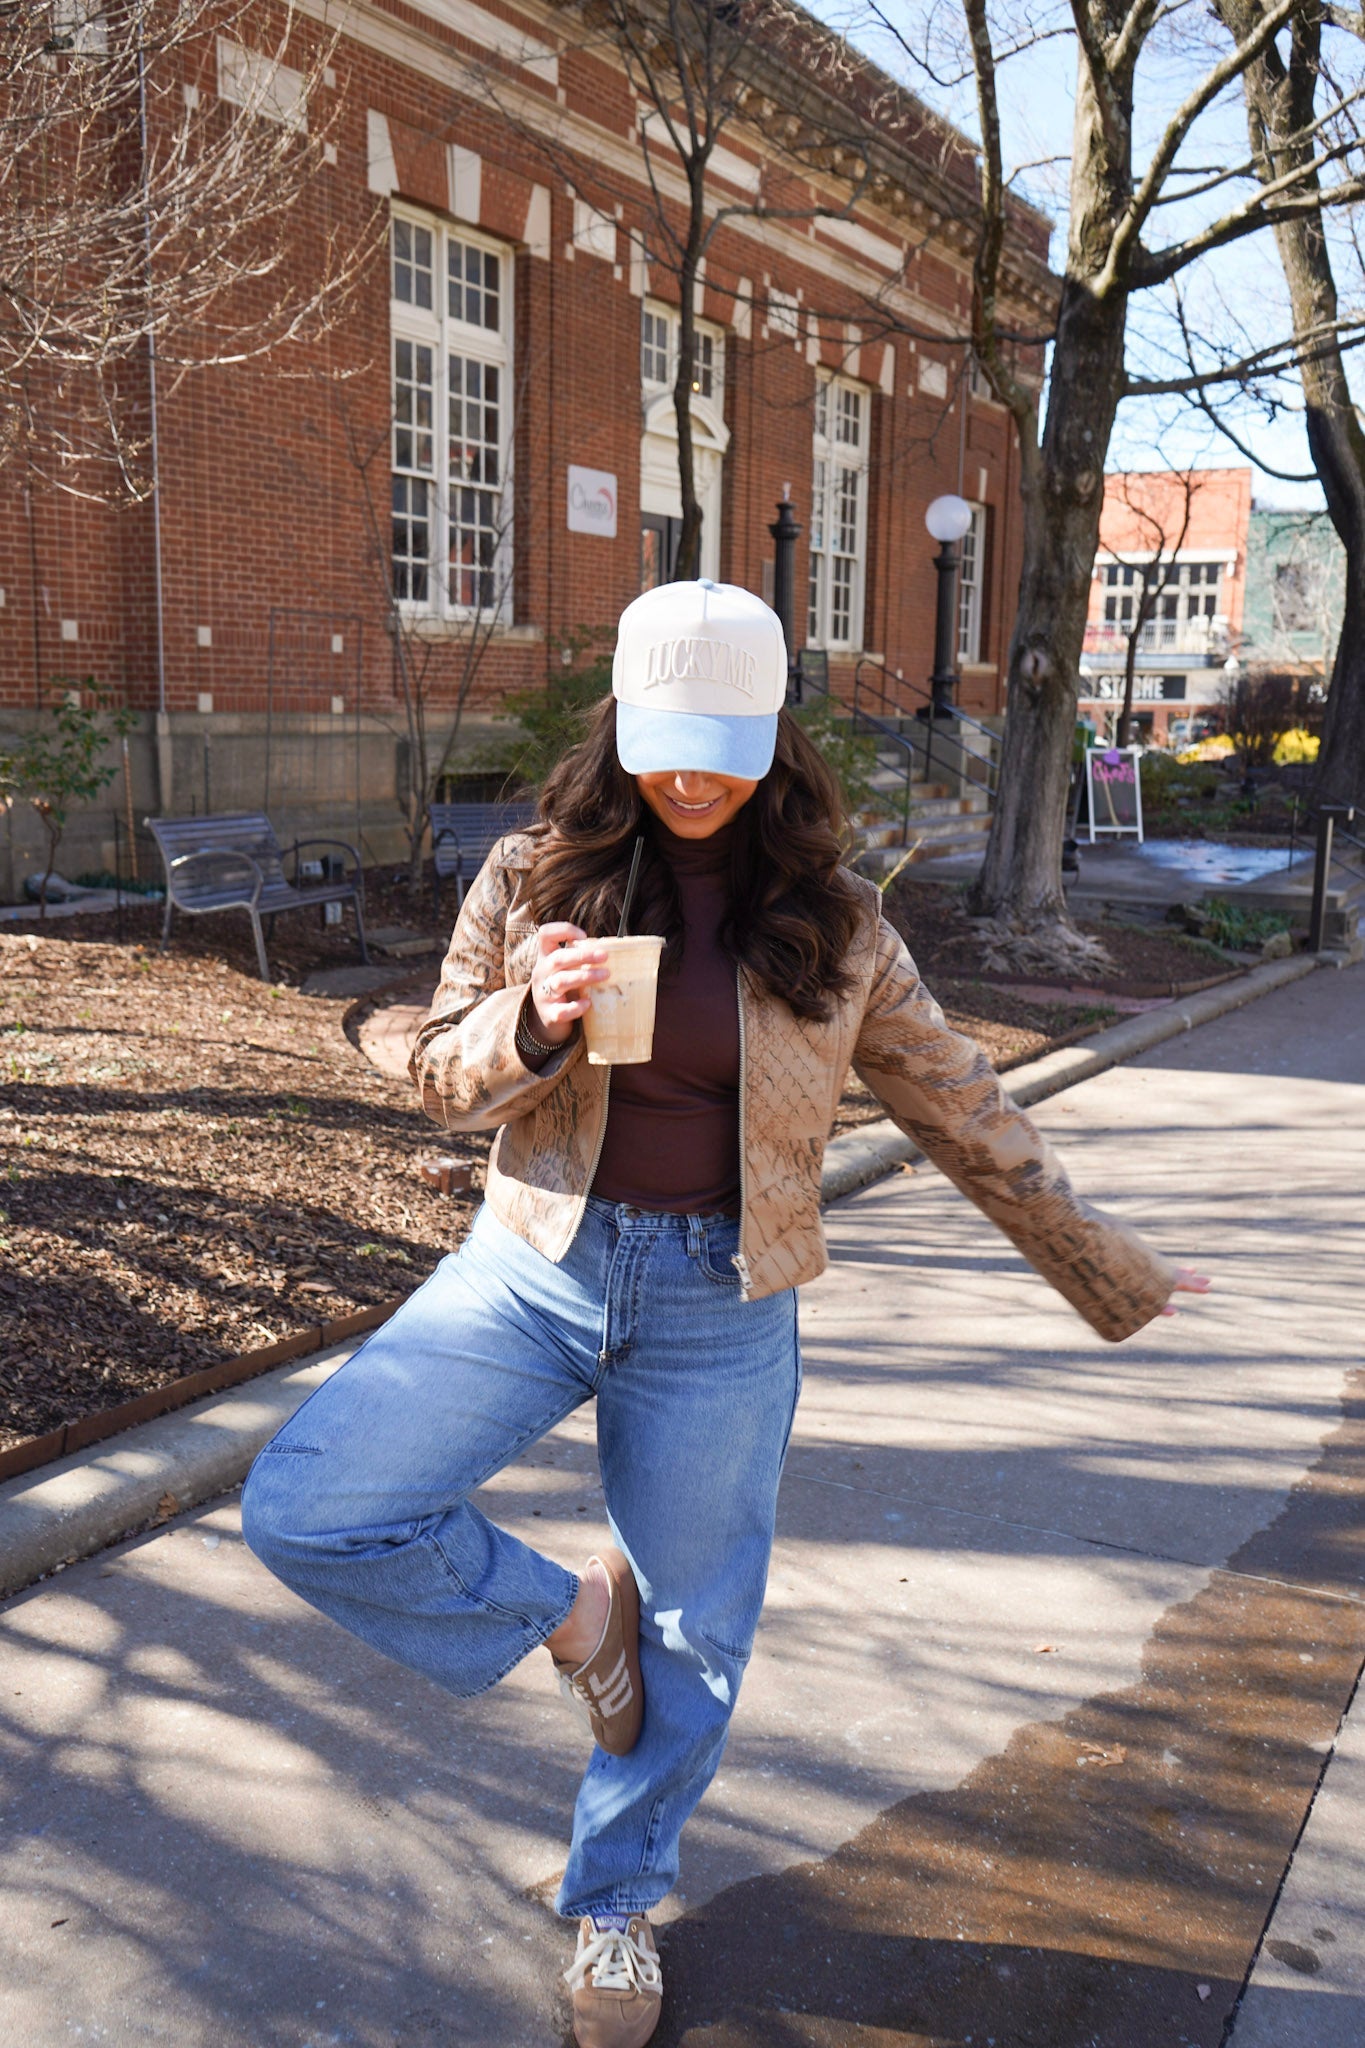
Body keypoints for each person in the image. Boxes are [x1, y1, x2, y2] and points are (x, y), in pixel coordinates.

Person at [242, 580, 1206, 2048]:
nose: (690, 778)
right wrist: (529, 1020)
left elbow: (957, 1106)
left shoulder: (839, 921)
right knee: (311, 1507)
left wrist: (1105, 1263)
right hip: (532, 1266)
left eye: (723, 748)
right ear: (620, 723)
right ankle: (573, 1613)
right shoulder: (529, 871)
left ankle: (615, 1907)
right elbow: (435, 1060)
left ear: (773, 740)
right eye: (664, 743)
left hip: (721, 1299)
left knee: (698, 1632)